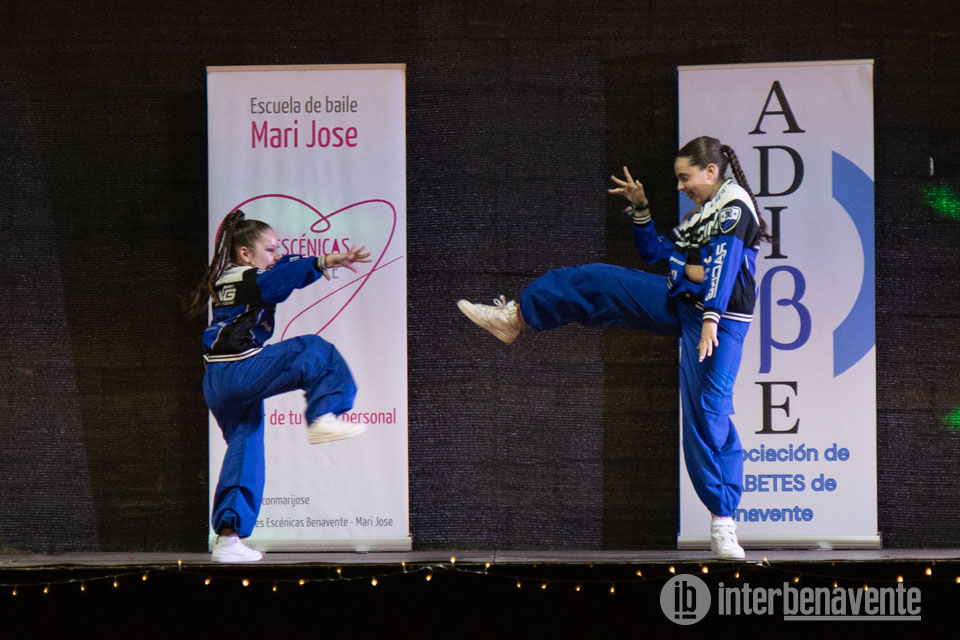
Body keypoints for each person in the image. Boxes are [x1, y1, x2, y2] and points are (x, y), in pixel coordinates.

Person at [457, 136, 768, 560]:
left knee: (707, 412)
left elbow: (724, 264)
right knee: (598, 279)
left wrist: (711, 317)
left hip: (722, 321)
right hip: (684, 301)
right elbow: (656, 252)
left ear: (710, 172)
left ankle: (723, 518)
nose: (681, 187)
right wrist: (640, 208)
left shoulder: (735, 207)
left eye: (685, 178)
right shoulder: (702, 215)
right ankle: (517, 317)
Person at [187, 209, 372, 563]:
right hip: (238, 370)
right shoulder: (248, 277)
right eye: (270, 249)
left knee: (245, 449)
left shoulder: (231, 278)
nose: (277, 255)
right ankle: (324, 415)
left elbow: (283, 268)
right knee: (316, 351)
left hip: (216, 380)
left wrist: (320, 262)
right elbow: (280, 277)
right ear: (245, 253)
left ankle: (228, 539)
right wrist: (323, 260)